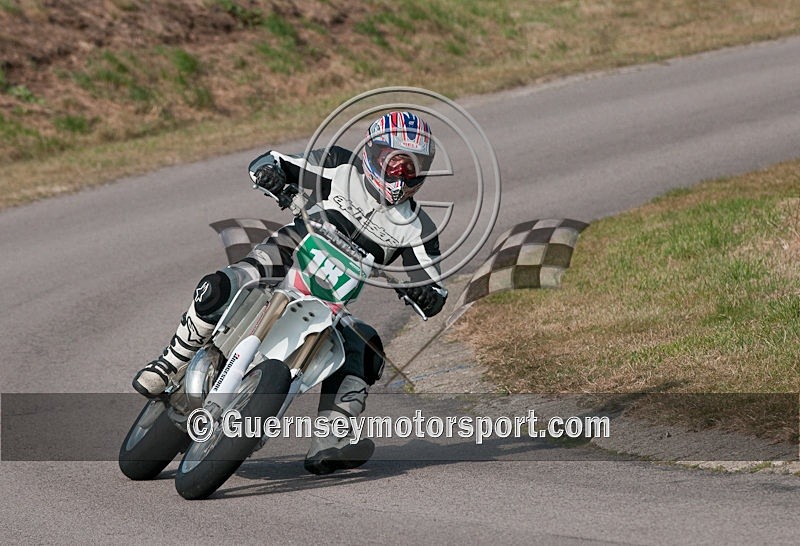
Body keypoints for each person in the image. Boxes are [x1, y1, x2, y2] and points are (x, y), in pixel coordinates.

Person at [132, 111, 447, 474]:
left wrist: (425, 294)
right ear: (372, 154)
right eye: (393, 163)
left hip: (334, 297)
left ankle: (332, 436)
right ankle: (171, 361)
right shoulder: (339, 166)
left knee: (366, 345)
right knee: (221, 286)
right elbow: (277, 161)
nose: (400, 175)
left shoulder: (418, 227)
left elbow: (432, 283)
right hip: (288, 252)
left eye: (411, 167)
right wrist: (273, 174)